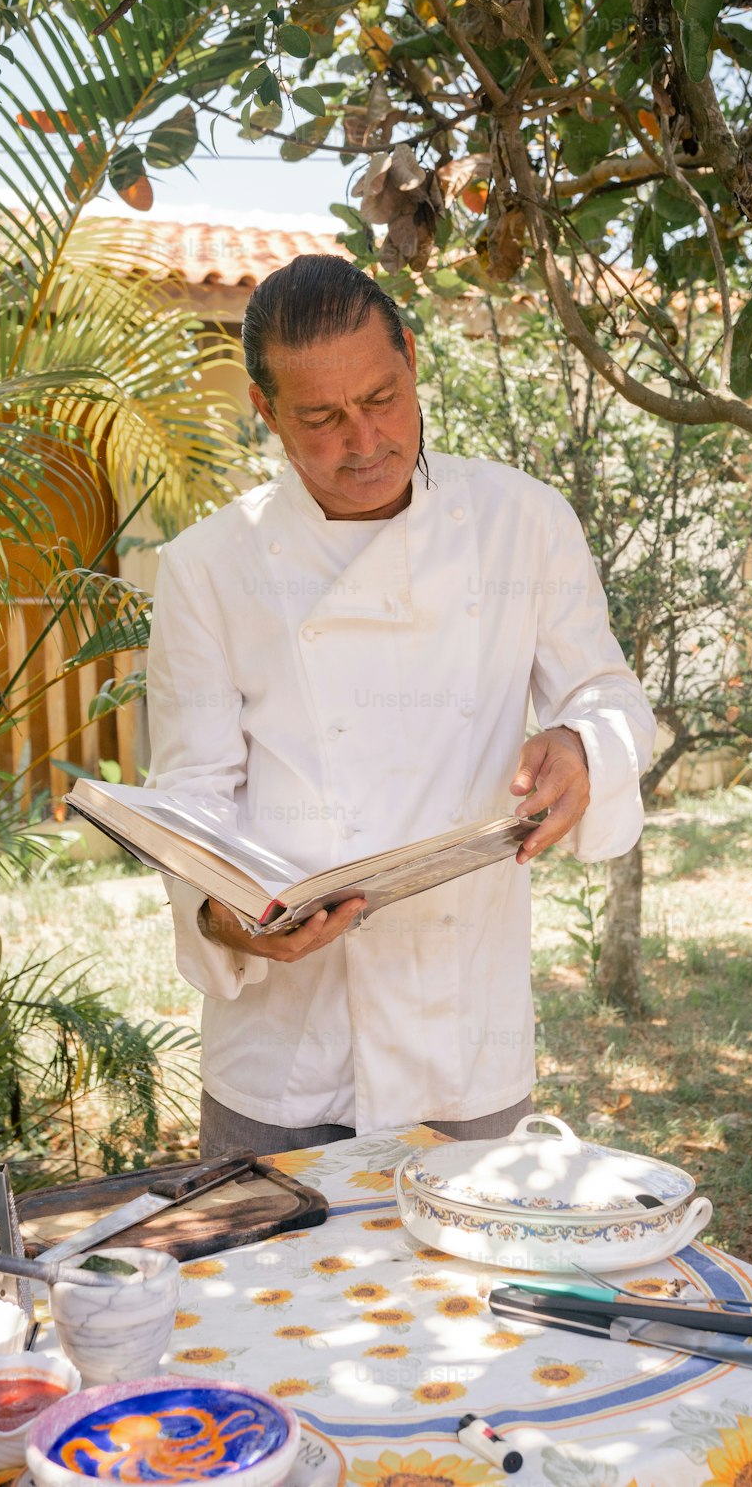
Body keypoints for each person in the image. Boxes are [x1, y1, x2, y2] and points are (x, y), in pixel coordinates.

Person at [146, 254, 656, 1158]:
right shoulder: (207, 567)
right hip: (282, 1052)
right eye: (322, 418)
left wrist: (582, 744)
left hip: (461, 1036)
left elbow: (606, 691)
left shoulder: (524, 523)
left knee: (470, 1292)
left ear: (412, 359)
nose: (364, 439)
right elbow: (192, 796)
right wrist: (226, 921)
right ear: (264, 410)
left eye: (381, 398)